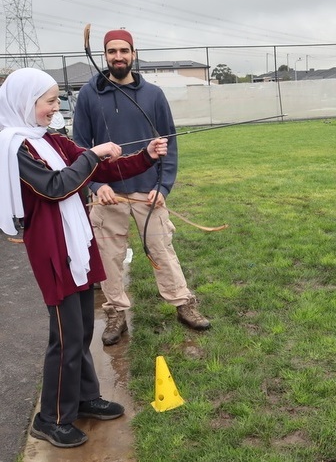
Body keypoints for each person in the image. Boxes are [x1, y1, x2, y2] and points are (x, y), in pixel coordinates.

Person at [0, 67, 168, 447]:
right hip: (53, 250)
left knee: (82, 329)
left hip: (75, 244)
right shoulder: (16, 147)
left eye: (56, 98)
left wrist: (145, 156)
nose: (55, 106)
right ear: (27, 103)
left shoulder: (53, 141)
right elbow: (56, 186)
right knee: (66, 336)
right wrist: (93, 154)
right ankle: (52, 417)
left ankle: (85, 397)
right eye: (49, 100)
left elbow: (103, 167)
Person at [73, 28, 210, 346]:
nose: (118, 57)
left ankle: (182, 303)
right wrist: (95, 183)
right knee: (109, 255)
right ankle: (115, 312)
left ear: (134, 54)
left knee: (162, 249)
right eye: (111, 51)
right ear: (104, 56)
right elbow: (79, 148)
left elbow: (168, 144)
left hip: (149, 190)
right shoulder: (88, 96)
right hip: (108, 195)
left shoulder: (154, 96)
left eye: (124, 51)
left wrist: (163, 186)